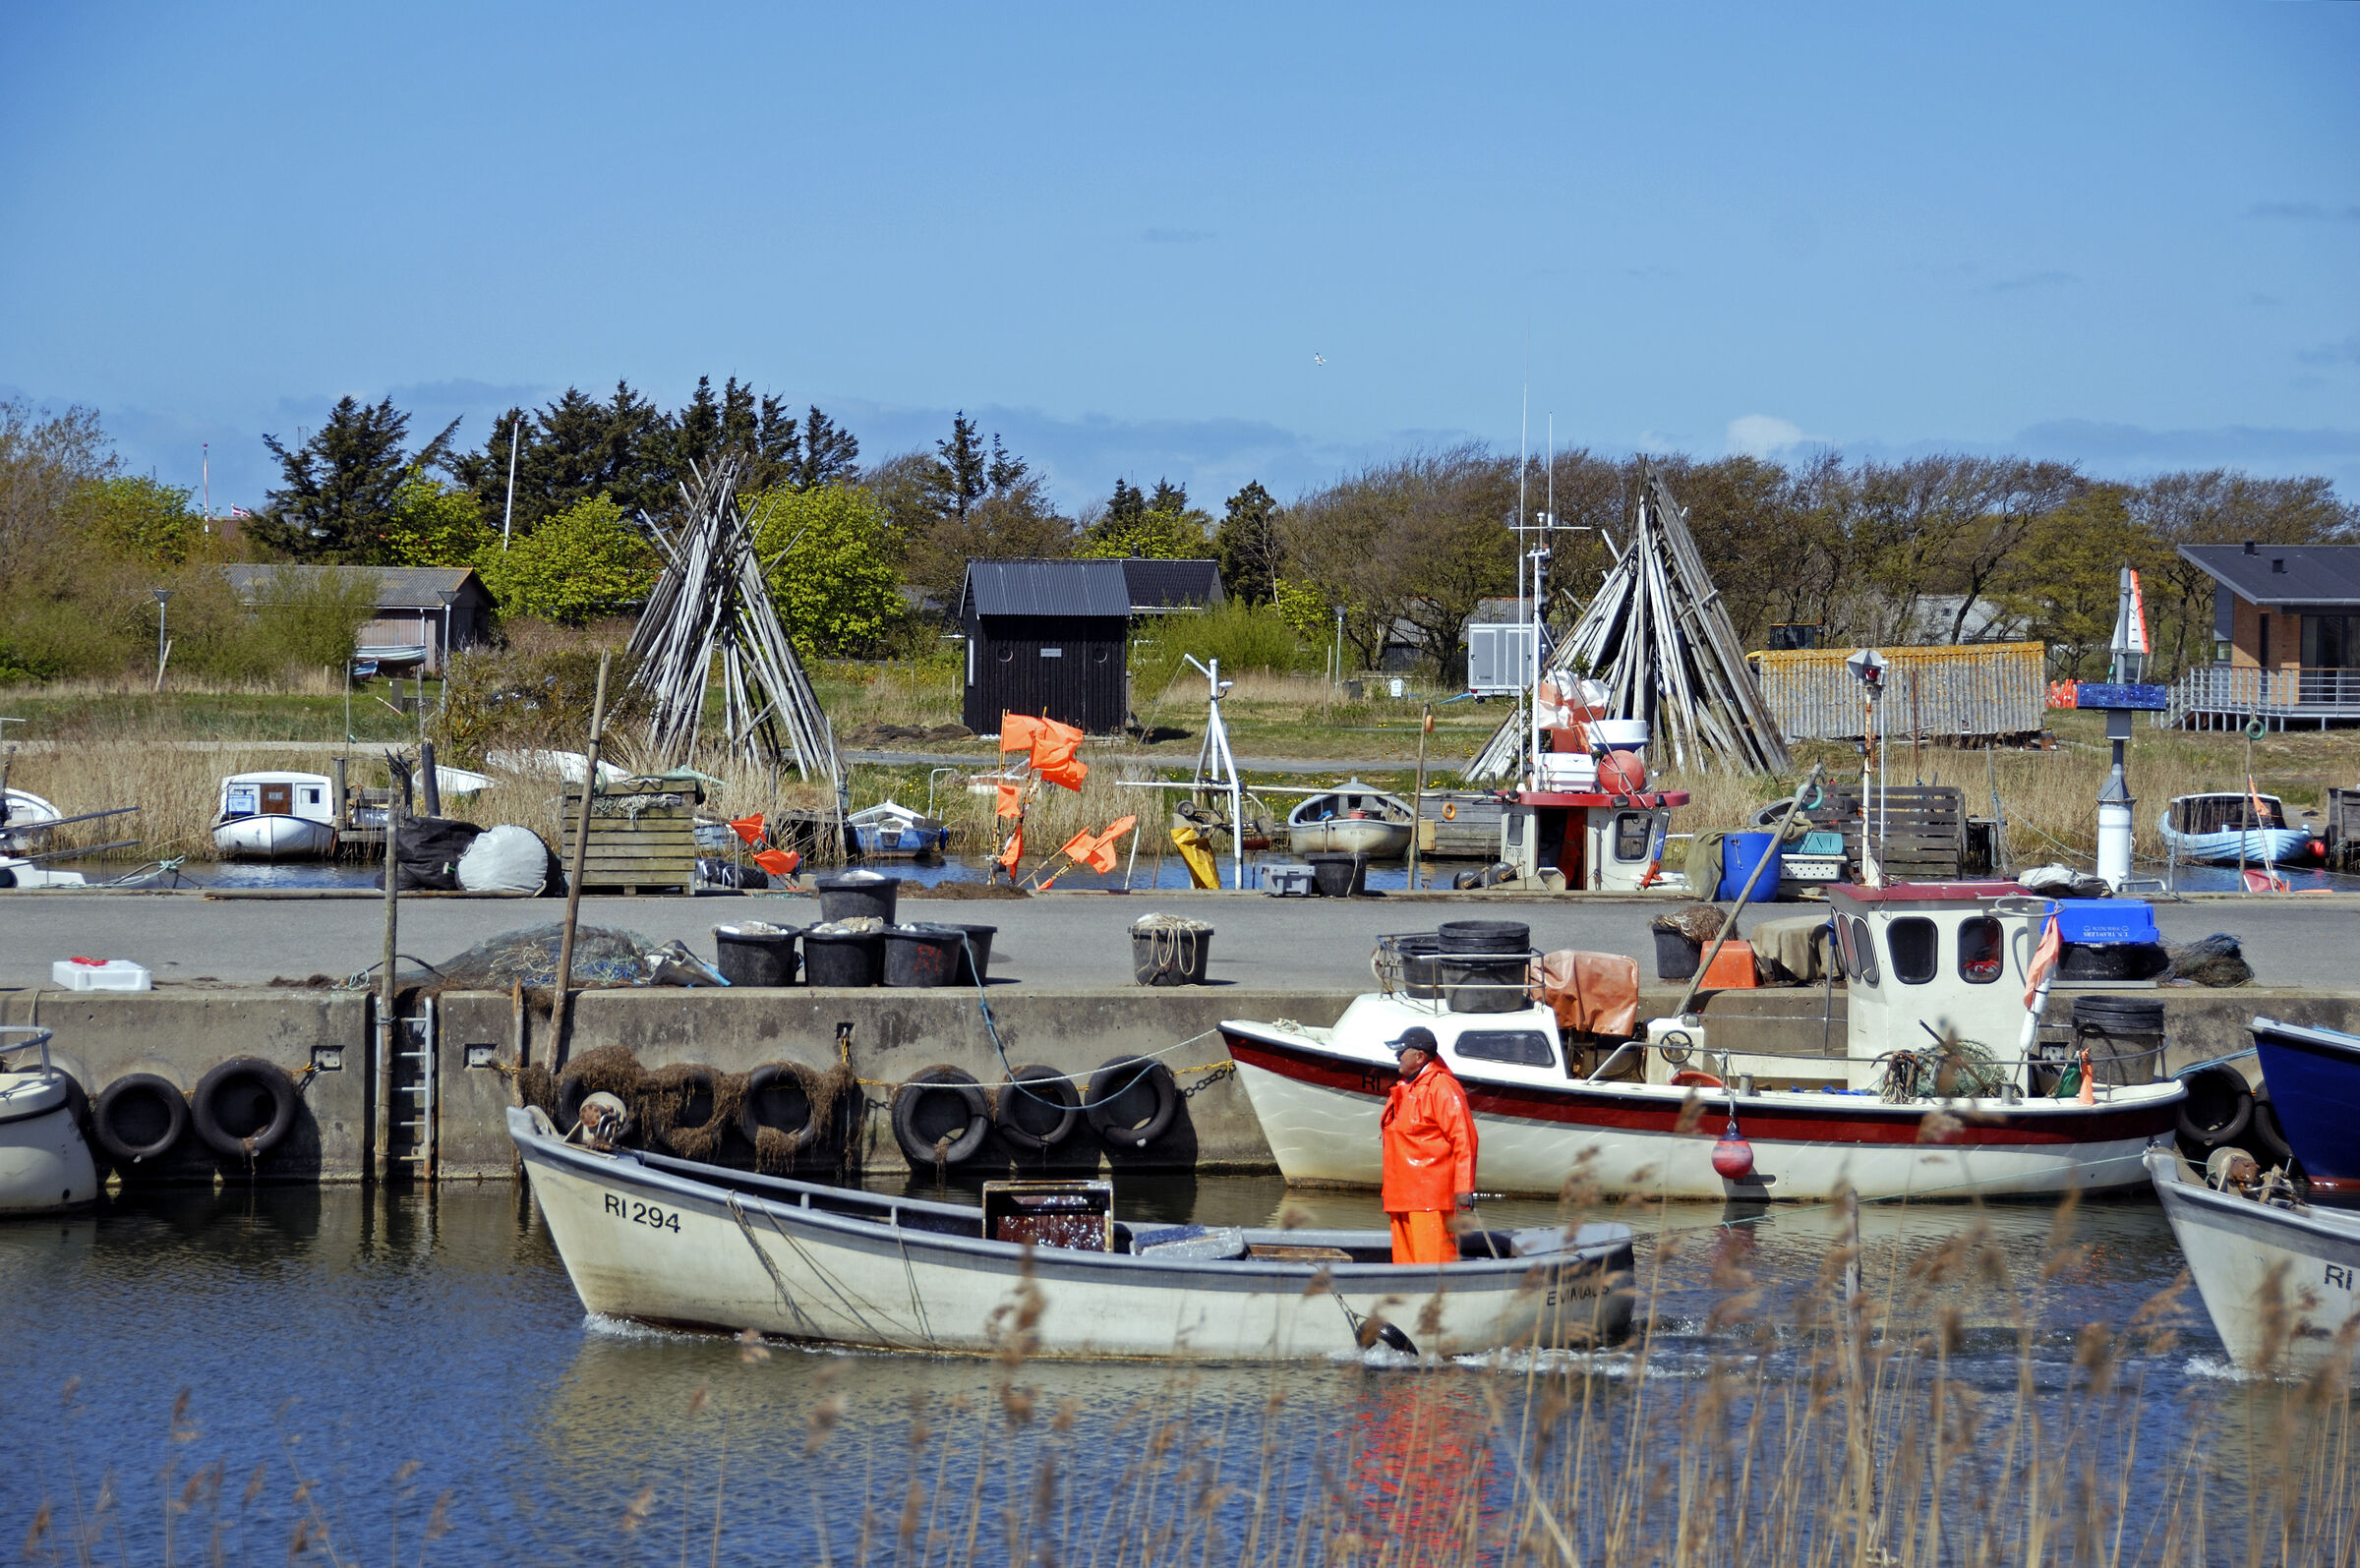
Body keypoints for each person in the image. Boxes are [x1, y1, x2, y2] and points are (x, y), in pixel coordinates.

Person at [1379, 1026, 1478, 1264]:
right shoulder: (1404, 1086)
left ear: (1419, 1056)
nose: (1396, 1057)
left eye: (1401, 1051)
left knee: (1434, 1262)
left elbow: (1464, 1138)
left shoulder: (1442, 1087)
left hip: (1430, 1199)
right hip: (1400, 1196)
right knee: (1403, 1265)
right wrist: (1388, 1192)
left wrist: (1464, 1188)